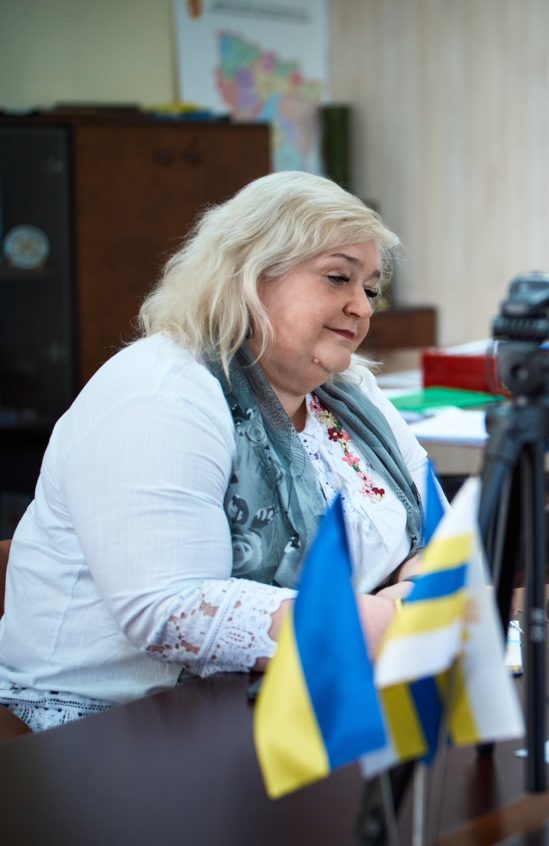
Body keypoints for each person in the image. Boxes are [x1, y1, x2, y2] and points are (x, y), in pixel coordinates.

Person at [0, 171, 431, 731]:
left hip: (302, 696)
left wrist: (414, 590)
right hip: (117, 724)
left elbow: (435, 530)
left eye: (369, 289)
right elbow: (168, 610)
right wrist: (375, 621)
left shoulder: (351, 392)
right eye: (337, 278)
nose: (362, 308)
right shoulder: (159, 392)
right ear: (249, 274)